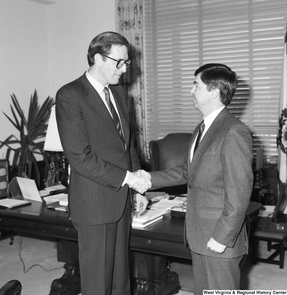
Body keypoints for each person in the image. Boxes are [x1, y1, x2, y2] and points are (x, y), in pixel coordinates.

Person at [55, 31, 150, 295]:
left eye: (127, 62)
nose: (125, 68)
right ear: (98, 58)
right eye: (119, 62)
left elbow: (127, 145)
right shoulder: (70, 95)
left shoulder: (119, 94)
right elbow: (80, 157)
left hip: (121, 201)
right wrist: (128, 179)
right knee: (98, 284)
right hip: (94, 204)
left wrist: (136, 188)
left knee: (121, 280)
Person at [150, 63, 253, 293]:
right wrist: (148, 179)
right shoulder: (203, 127)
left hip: (219, 237)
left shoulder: (234, 131)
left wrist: (222, 236)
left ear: (214, 91)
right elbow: (188, 171)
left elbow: (240, 192)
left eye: (196, 85)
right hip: (199, 233)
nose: (190, 91)